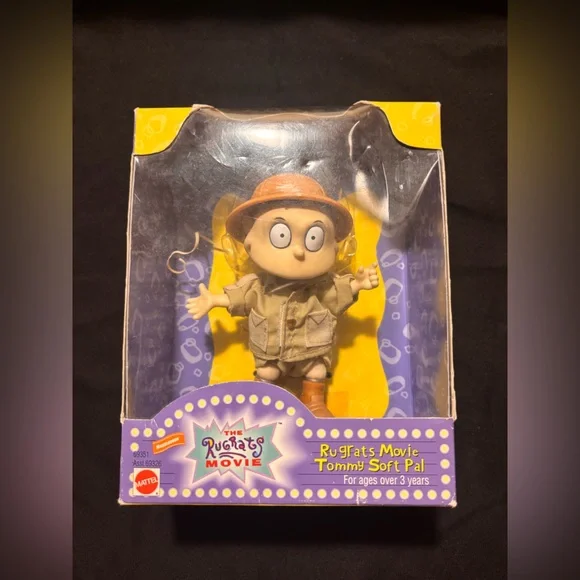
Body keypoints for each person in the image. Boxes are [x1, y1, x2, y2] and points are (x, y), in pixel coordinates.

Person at [187, 173, 379, 417]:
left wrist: (359, 284)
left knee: (317, 370)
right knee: (267, 372)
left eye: (313, 238)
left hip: (311, 350)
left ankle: (313, 402)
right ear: (249, 241)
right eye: (281, 236)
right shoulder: (259, 286)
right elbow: (241, 298)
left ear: (333, 246)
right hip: (271, 353)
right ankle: (260, 404)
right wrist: (213, 300)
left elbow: (336, 294)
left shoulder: (322, 287)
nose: (298, 250)